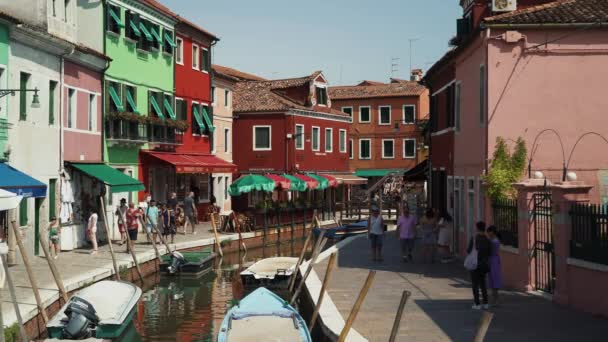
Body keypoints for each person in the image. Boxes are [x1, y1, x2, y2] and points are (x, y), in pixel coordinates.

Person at [467, 221, 492, 310]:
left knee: (475, 284)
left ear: (477, 228)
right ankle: (485, 303)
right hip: (484, 264)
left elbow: (468, 250)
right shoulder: (487, 239)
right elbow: (490, 252)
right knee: (483, 284)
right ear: (484, 228)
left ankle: (477, 303)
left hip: (475, 264)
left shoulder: (474, 238)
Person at [486, 225, 503, 306]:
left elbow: (489, 250)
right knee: (492, 280)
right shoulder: (493, 240)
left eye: (489, 232)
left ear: (492, 232)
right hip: (493, 260)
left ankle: (496, 300)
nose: (488, 234)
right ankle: (494, 300)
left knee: (494, 280)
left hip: (493, 260)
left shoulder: (494, 241)